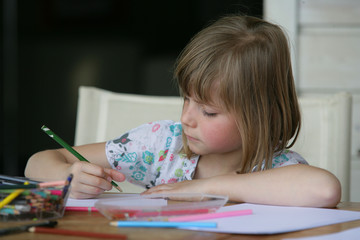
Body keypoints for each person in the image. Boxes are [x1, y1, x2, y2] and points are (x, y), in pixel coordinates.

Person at [25, 15, 341, 207]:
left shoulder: (276, 168)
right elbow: (37, 163)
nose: (186, 118)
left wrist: (205, 188)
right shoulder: (160, 148)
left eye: (209, 112)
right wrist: (68, 176)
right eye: (187, 100)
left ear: (263, 114)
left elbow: (324, 189)